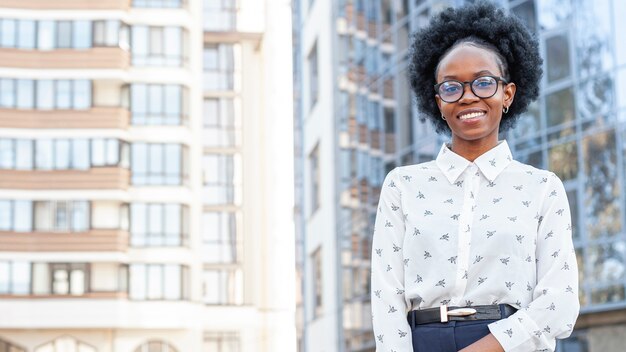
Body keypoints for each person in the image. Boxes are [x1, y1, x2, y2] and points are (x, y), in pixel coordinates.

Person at [370, 2, 579, 352]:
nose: (468, 97)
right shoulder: (402, 186)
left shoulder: (542, 188)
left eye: (483, 83)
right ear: (437, 101)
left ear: (507, 93)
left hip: (510, 345)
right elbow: (387, 296)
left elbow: (560, 302)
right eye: (451, 87)